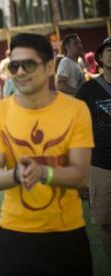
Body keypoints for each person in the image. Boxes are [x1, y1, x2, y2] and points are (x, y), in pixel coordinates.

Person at [0, 33, 93, 275]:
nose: (20, 72)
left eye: (29, 64)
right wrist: (17, 175)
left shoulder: (76, 110)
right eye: (14, 65)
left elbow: (81, 176)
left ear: (50, 67)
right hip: (14, 233)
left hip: (67, 235)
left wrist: (44, 172)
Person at [76, 37, 111, 261]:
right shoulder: (88, 90)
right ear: (99, 57)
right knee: (107, 224)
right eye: (108, 50)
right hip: (100, 166)